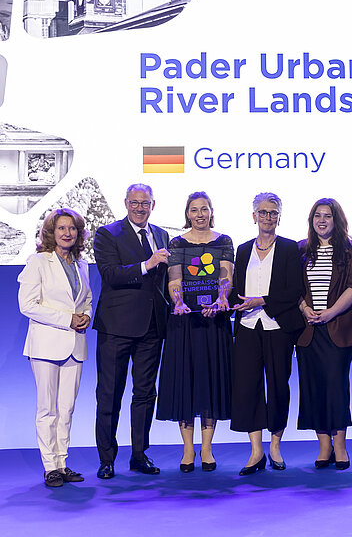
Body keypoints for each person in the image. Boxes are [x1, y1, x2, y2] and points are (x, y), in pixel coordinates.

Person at [93, 184, 170, 478]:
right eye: (135, 203)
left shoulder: (161, 235)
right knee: (110, 394)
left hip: (152, 327)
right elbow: (110, 274)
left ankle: (139, 454)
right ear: (126, 203)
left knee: (145, 393)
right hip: (117, 327)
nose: (140, 208)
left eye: (145, 203)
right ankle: (107, 459)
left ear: (153, 204)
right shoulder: (107, 233)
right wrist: (147, 264)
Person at [156, 192, 233, 472]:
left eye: (204, 209)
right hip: (184, 322)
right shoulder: (177, 243)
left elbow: (226, 277)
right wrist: (177, 301)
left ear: (211, 212)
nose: (200, 214)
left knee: (210, 383)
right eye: (194, 210)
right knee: (185, 383)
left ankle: (206, 448)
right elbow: (174, 279)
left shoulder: (224, 241)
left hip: (214, 323)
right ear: (187, 214)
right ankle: (188, 449)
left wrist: (221, 299)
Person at [230, 192, 305, 475]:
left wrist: (262, 300)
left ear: (279, 217)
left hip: (278, 326)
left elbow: (294, 290)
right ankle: (256, 451)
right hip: (247, 327)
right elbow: (236, 288)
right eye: (263, 212)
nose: (268, 217)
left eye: (273, 213)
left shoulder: (289, 248)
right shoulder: (243, 249)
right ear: (254, 216)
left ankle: (275, 447)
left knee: (278, 386)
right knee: (248, 388)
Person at [18, 208, 92, 487]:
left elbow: (86, 299)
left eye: (72, 229)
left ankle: (62, 463)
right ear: (51, 232)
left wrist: (86, 316)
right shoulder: (38, 261)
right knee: (47, 409)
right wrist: (66, 319)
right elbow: (27, 305)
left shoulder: (81, 265)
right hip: (46, 345)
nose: (67, 233)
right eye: (61, 228)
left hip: (75, 344)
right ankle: (49, 466)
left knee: (66, 409)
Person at [296, 198, 352, 470]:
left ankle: (340, 447)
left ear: (337, 220)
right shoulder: (301, 249)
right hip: (308, 331)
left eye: (327, 216)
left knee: (336, 387)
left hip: (338, 328)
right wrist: (304, 309)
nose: (322, 221)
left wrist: (331, 312)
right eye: (317, 216)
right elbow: (293, 287)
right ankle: (324, 448)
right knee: (313, 388)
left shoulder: (350, 249)